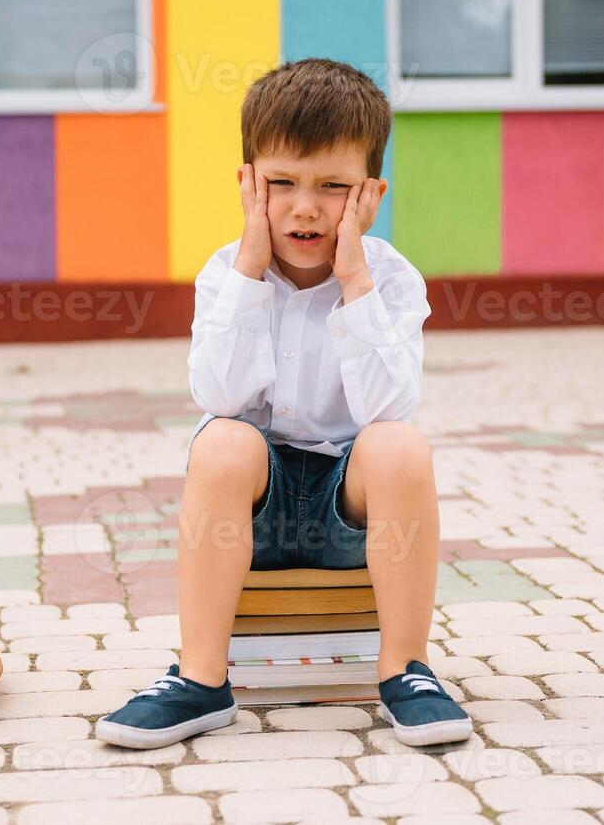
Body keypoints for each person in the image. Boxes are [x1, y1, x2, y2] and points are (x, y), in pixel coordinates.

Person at [96, 58, 472, 749]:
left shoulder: (390, 280)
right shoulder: (225, 274)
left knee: (400, 444)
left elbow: (389, 405)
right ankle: (203, 680)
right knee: (221, 438)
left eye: (333, 186)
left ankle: (407, 669)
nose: (305, 206)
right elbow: (219, 395)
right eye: (283, 184)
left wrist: (353, 279)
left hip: (346, 519)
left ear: (371, 194)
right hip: (254, 521)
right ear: (249, 185)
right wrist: (248, 270)